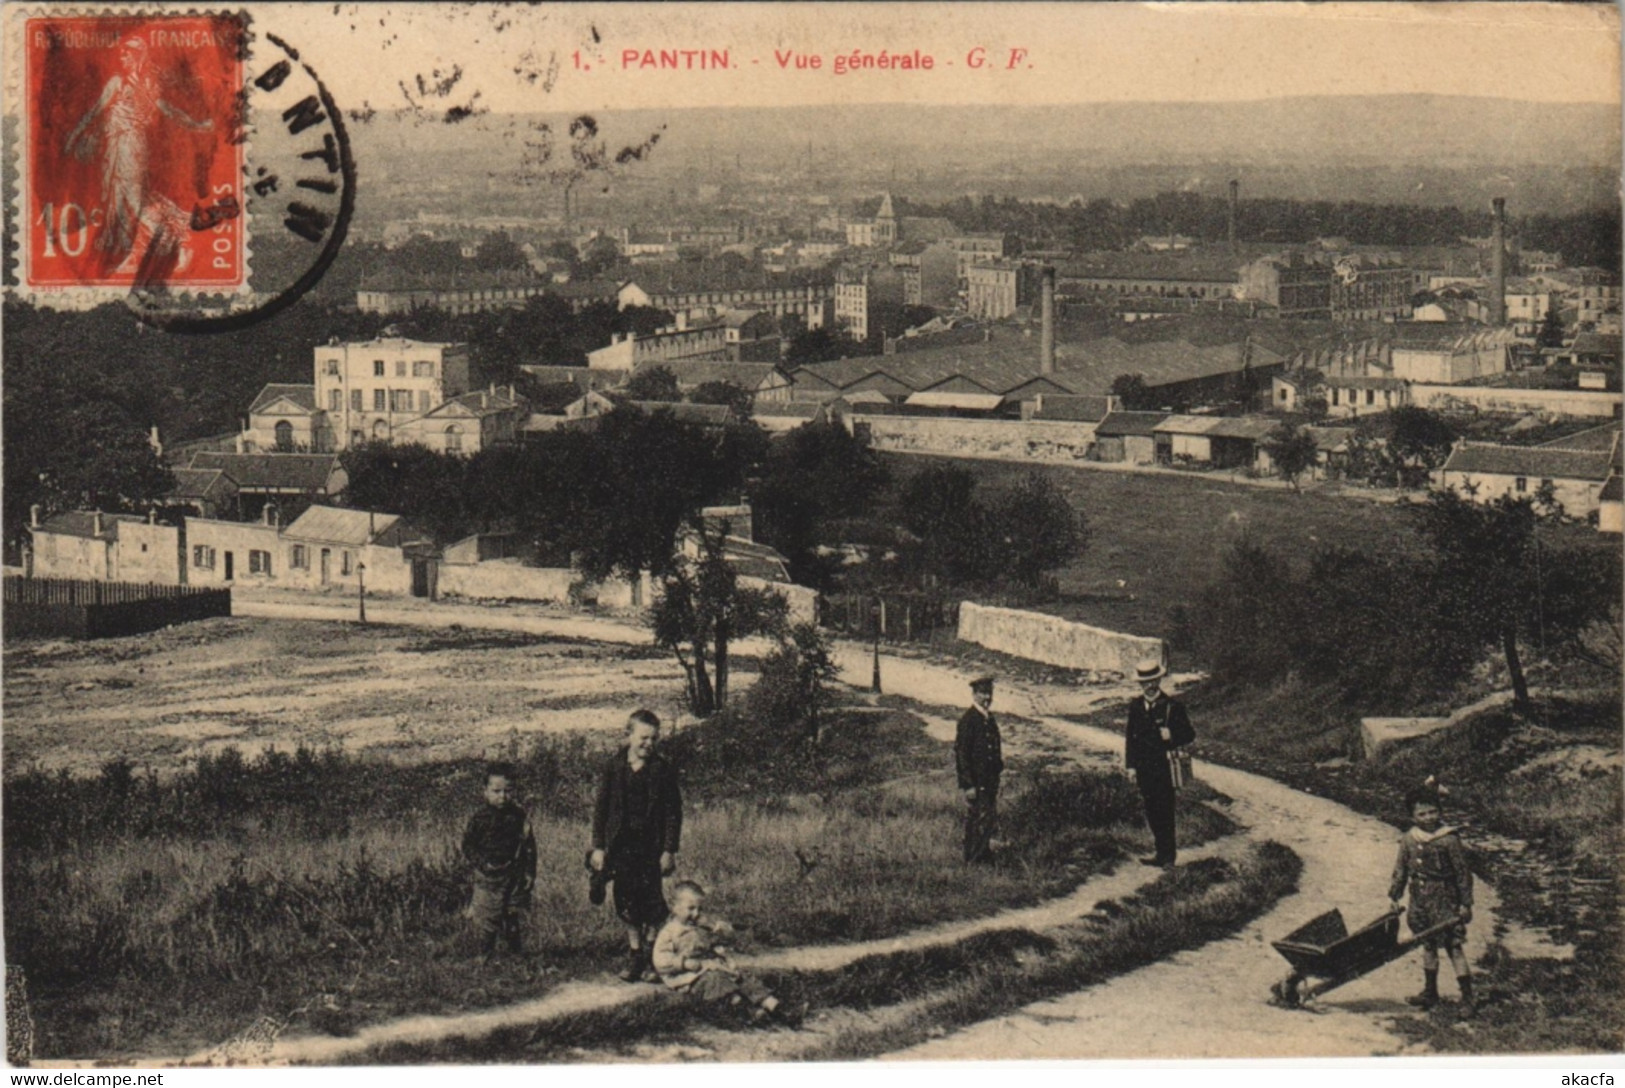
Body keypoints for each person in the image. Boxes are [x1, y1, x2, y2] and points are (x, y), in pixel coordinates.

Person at [590, 709, 683, 983]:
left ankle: (654, 952)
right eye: (643, 738)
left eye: (654, 739)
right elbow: (601, 809)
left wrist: (669, 850)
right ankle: (635, 954)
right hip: (621, 847)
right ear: (628, 735)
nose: (648, 744)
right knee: (626, 901)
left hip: (650, 848)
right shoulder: (614, 767)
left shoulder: (661, 770)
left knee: (652, 900)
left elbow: (673, 813)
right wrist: (598, 846)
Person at [651, 881, 799, 1025]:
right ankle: (746, 1012)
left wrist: (715, 930)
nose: (696, 914)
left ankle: (776, 1008)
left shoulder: (701, 926)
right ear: (674, 907)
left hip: (710, 966)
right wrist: (683, 963)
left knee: (742, 977)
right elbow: (660, 959)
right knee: (717, 981)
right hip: (689, 976)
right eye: (690, 908)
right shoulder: (669, 932)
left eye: (699, 909)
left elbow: (723, 938)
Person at [1388, 782, 1475, 1015]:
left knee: (1453, 946)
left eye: (1432, 812)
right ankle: (1430, 992)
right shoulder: (1409, 840)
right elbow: (1401, 870)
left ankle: (1467, 997)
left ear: (1440, 812)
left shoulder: (1449, 839)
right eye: (1421, 813)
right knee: (1427, 944)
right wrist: (1395, 895)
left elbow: (1462, 873)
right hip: (1420, 900)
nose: (1428, 818)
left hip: (1445, 899)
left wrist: (1466, 903)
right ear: (1412, 816)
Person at [460, 761, 537, 964]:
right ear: (485, 791)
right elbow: (468, 846)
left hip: (514, 873)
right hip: (489, 876)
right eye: (496, 791)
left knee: (512, 913)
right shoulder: (480, 818)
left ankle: (515, 954)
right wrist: (482, 863)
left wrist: (530, 872)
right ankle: (484, 955)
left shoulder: (518, 816)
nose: (502, 796)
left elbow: (529, 845)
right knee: (488, 917)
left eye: (507, 791)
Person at [1123, 658, 1194, 869]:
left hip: (1164, 768)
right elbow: (1130, 739)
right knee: (1151, 811)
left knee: (1165, 811)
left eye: (1153, 681)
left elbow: (1189, 734)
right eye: (1145, 682)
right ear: (1140, 684)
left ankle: (1169, 857)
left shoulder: (1172, 706)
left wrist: (1171, 734)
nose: (1149, 685)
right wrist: (1131, 766)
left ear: (1159, 681)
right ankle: (1159, 853)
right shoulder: (1135, 706)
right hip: (1144, 769)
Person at [955, 674, 1003, 864]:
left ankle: (982, 855)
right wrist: (968, 785)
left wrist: (998, 769)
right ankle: (973, 860)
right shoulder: (969, 720)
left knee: (987, 819)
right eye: (983, 693)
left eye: (989, 693)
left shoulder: (988, 719)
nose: (987, 698)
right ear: (974, 694)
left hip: (989, 781)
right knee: (976, 820)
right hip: (976, 782)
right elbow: (962, 755)